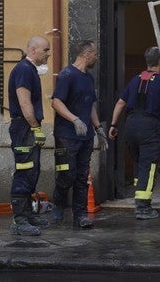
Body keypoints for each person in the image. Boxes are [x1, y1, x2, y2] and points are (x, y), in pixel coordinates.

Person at [108, 46, 160, 219]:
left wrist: (113, 125)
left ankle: (140, 198)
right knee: (149, 166)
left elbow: (120, 103)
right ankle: (143, 207)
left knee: (139, 164)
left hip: (130, 126)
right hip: (149, 127)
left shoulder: (135, 79)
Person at [51, 40, 108, 229]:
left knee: (82, 177)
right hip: (66, 135)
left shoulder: (88, 79)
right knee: (67, 175)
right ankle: (57, 207)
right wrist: (74, 119)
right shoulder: (67, 75)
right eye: (95, 54)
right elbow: (57, 102)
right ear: (87, 54)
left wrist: (98, 128)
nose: (97, 57)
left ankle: (81, 215)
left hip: (85, 137)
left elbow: (89, 105)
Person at [8, 35, 52, 236]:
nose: (48, 54)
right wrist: (35, 128)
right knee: (25, 171)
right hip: (24, 129)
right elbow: (25, 104)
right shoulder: (24, 70)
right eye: (45, 50)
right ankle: (19, 220)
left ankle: (27, 214)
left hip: (27, 128)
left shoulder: (29, 70)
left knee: (32, 171)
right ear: (33, 50)